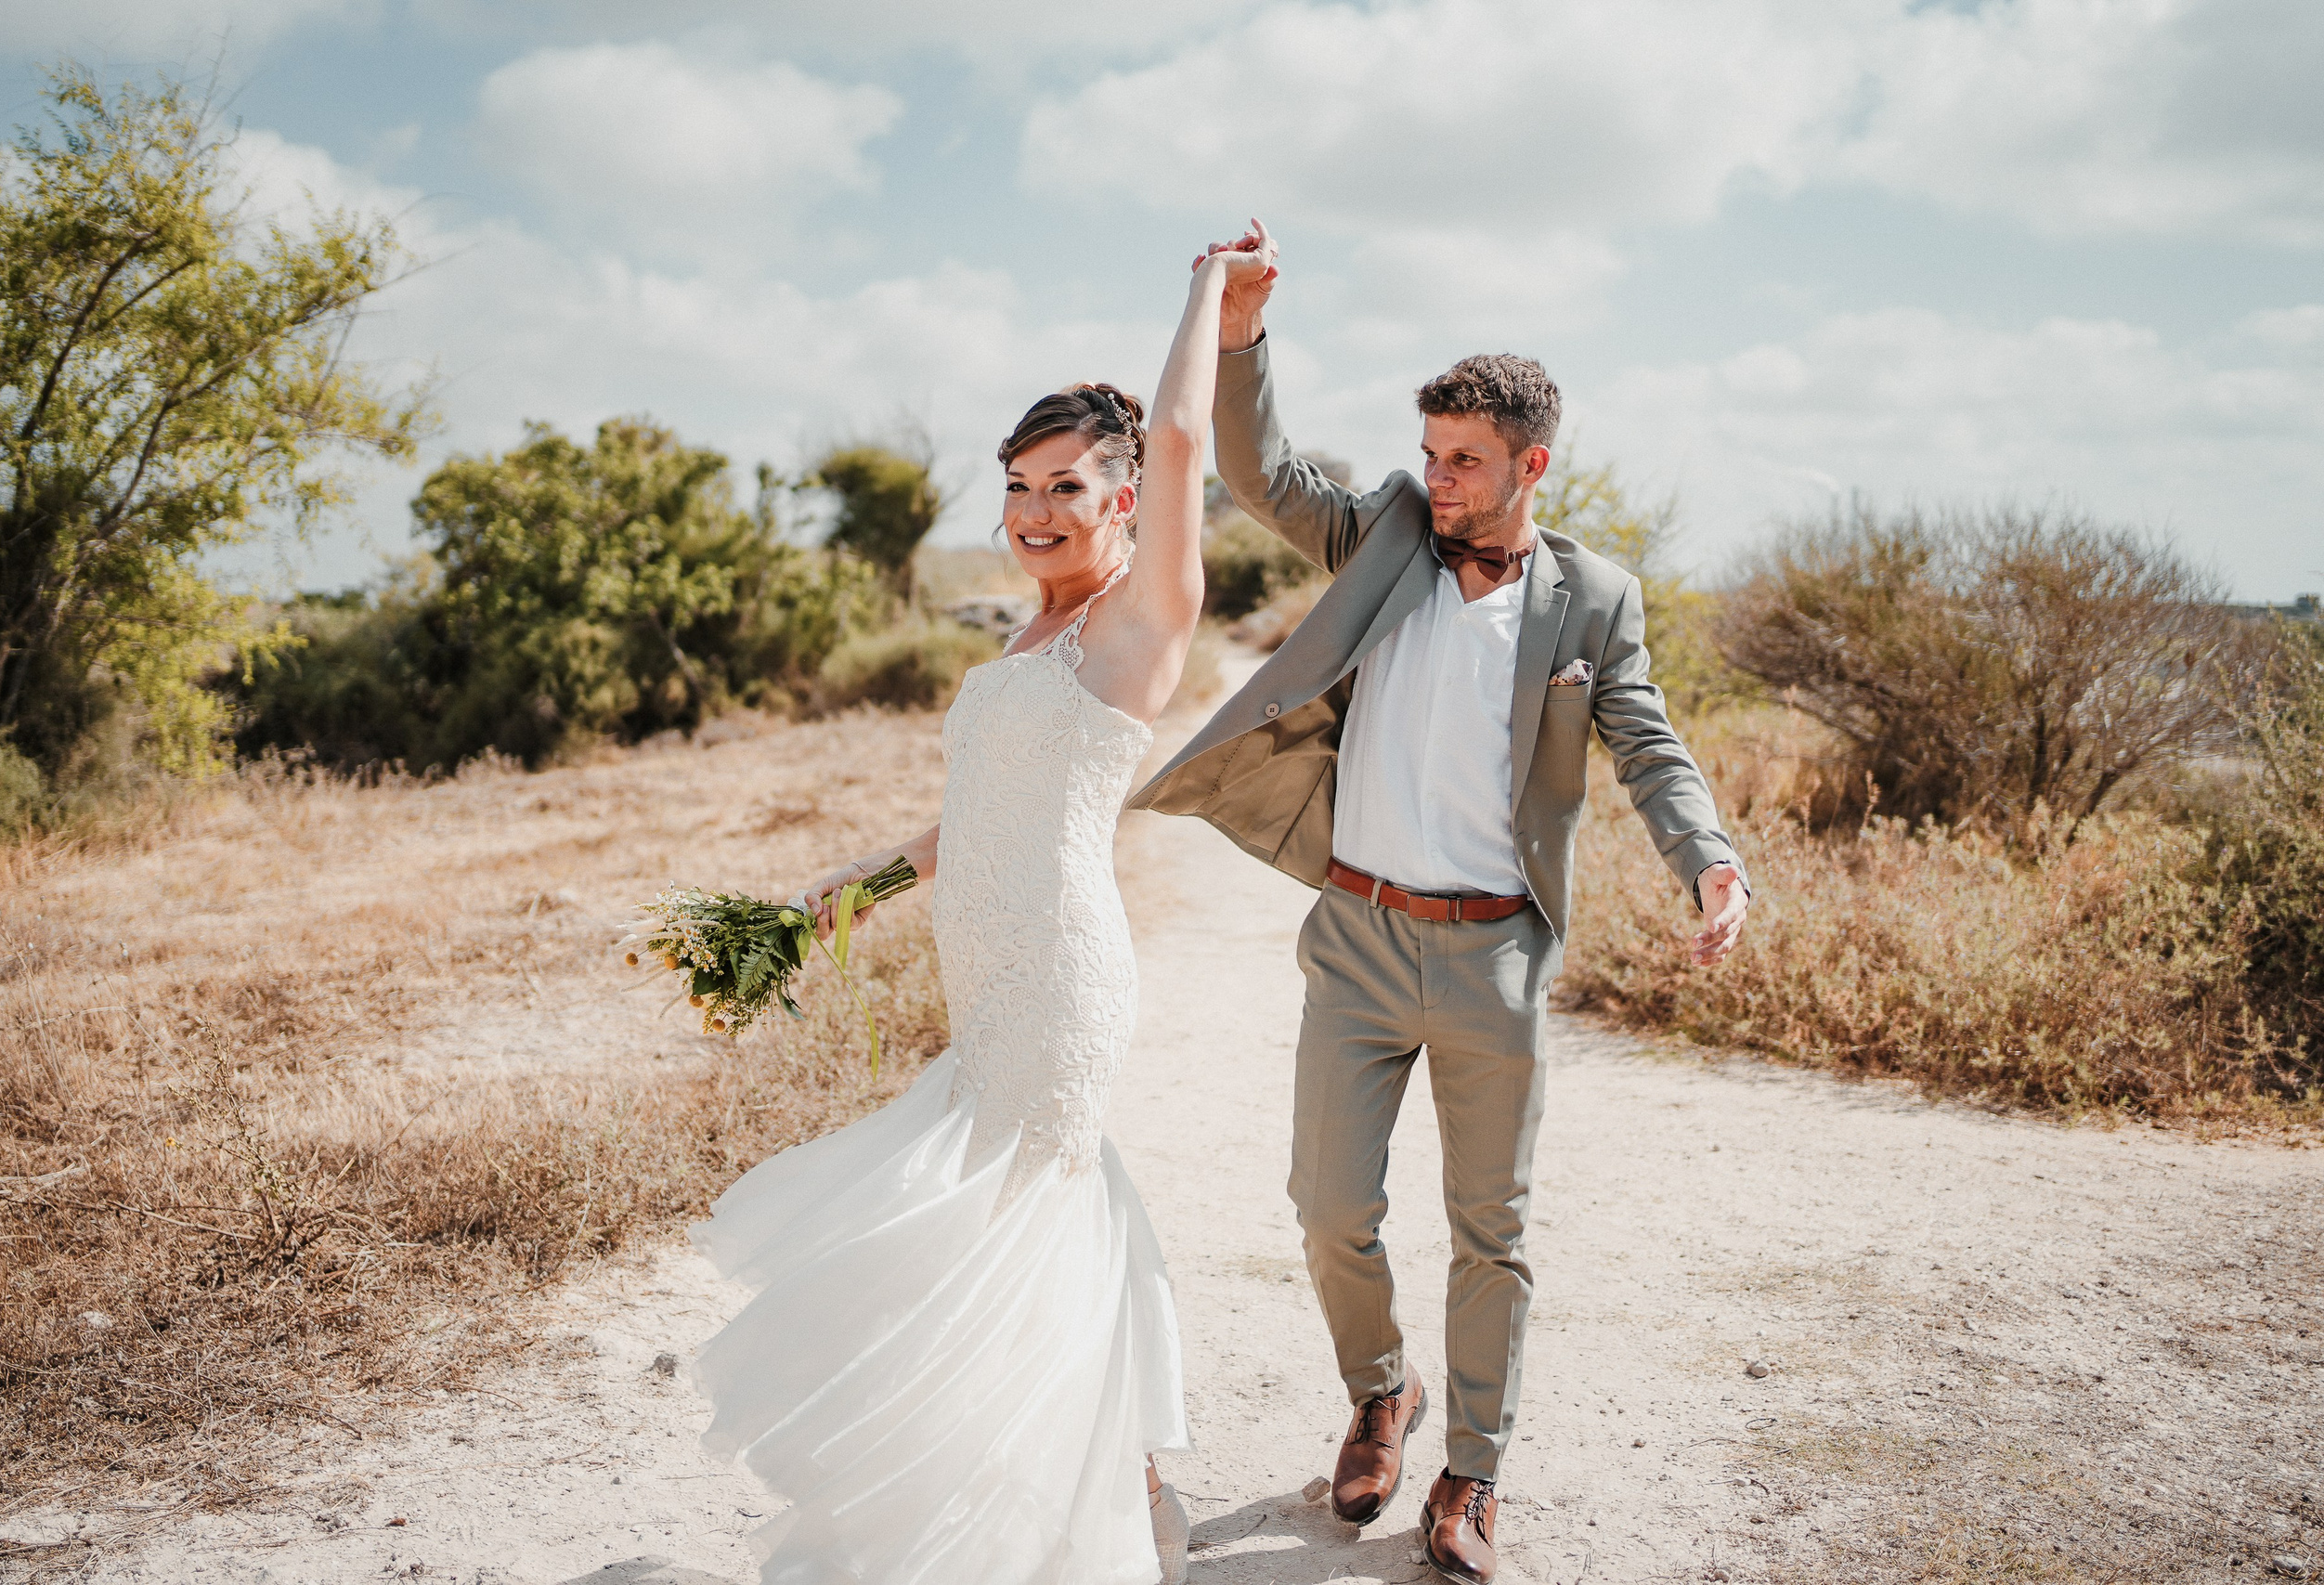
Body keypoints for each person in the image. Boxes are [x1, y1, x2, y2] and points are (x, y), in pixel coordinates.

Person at [1129, 223, 1751, 1585]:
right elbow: (1259, 470)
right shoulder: (1387, 536)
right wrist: (1241, 333)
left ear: (1535, 463)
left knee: (1495, 1230)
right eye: (1432, 452)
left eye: (1467, 459)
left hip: (1495, 960)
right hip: (1355, 939)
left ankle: (1471, 1477)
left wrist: (1706, 855)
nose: (1441, 478)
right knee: (1325, 1204)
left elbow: (1646, 742)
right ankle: (1380, 1391)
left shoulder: (1595, 603)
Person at [685, 225, 1278, 1585]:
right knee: (1050, 1204)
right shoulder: (1022, 631)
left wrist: (1206, 291)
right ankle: (1129, 1475)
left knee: (1003, 1216)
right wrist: (859, 887)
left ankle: (1051, 1516)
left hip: (1064, 973)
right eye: (1017, 487)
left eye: (1066, 488)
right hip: (984, 964)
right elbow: (985, 814)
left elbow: (1184, 436)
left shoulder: (1143, 619)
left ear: (1124, 500)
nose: (1034, 513)